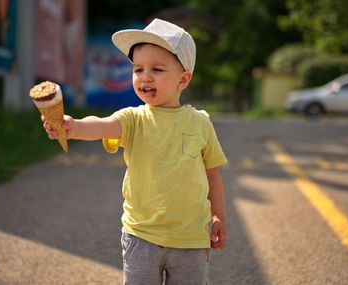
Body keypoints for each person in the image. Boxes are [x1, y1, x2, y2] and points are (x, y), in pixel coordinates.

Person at [42, 18, 228, 285]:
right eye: (137, 69)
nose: (145, 77)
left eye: (157, 69)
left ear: (183, 79)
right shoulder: (133, 119)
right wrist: (73, 126)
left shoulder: (200, 122)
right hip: (141, 236)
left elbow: (212, 176)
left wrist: (218, 215)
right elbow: (102, 126)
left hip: (190, 239)